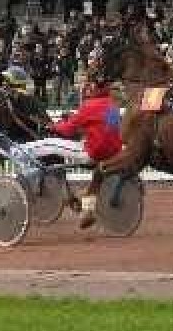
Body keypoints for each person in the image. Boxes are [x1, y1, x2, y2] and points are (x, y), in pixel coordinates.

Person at [50, 79, 122, 228]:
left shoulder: (89, 106)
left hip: (95, 152)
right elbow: (106, 127)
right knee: (97, 176)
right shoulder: (112, 104)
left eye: (88, 87)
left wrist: (54, 127)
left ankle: (79, 202)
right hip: (113, 152)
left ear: (94, 88)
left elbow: (68, 129)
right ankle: (86, 210)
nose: (86, 90)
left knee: (53, 146)